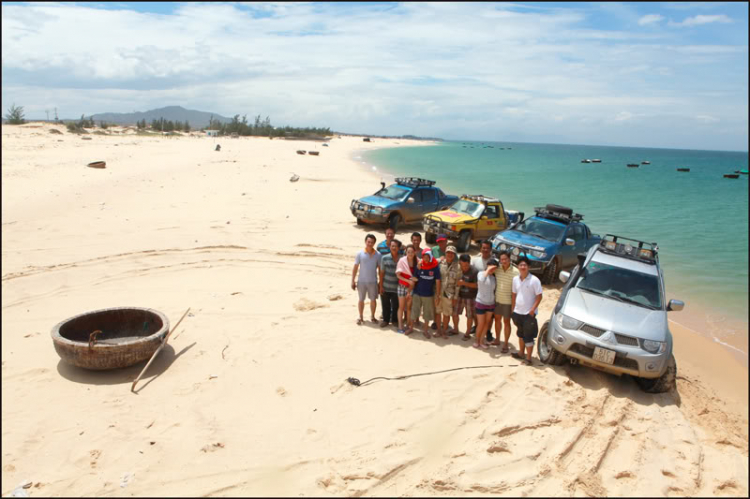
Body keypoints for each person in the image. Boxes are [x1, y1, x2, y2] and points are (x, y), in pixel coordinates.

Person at [511, 257, 543, 365]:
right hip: (517, 312)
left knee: (528, 337)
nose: (523, 267)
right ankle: (521, 353)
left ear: (528, 267)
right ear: (518, 267)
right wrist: (513, 309)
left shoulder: (534, 280)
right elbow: (514, 294)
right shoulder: (515, 279)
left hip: (528, 314)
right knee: (520, 334)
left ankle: (528, 359)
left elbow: (539, 296)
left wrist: (532, 310)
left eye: (525, 265)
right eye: (521, 265)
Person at [407, 249, 441, 339]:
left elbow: (438, 281)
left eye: (427, 257)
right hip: (417, 293)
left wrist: (437, 295)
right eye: (424, 257)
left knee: (427, 313)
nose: (425, 259)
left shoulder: (435, 267)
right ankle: (411, 328)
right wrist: (410, 291)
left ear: (430, 257)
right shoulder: (419, 266)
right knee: (414, 311)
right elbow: (414, 278)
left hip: (428, 294)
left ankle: (425, 330)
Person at [351, 234, 382, 325]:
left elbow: (380, 269)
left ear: (374, 243)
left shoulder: (378, 255)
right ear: (365, 242)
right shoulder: (359, 254)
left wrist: (380, 282)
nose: (370, 244)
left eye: (372, 242)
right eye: (368, 242)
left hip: (373, 281)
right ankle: (360, 317)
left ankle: (372, 316)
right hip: (361, 281)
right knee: (361, 299)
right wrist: (353, 280)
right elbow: (355, 267)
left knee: (373, 300)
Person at [493, 251, 519, 352]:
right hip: (497, 300)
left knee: (506, 322)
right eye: (501, 259)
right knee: (497, 320)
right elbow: (488, 270)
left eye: (505, 259)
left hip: (508, 302)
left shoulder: (516, 272)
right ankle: (497, 339)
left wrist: (514, 305)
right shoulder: (497, 269)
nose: (503, 261)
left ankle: (506, 343)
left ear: (510, 259)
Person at [470, 240, 495, 341]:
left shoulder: (494, 261)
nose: (485, 250)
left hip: (490, 291)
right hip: (476, 290)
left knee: (490, 315)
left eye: (487, 248)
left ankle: (488, 331)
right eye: (483, 248)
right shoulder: (475, 260)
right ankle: (477, 327)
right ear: (480, 248)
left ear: (490, 250)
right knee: (477, 312)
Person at [436, 245, 461, 338]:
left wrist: (455, 297)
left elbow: (458, 284)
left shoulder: (458, 267)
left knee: (446, 313)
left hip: (449, 293)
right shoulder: (440, 263)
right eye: (448, 252)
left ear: (454, 255)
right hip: (438, 292)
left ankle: (444, 331)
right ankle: (438, 330)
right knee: (438, 312)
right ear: (445, 253)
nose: (450, 254)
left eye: (452, 253)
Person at [474, 257, 498, 349]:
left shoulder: (494, 278)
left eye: (494, 268)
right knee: (481, 323)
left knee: (487, 323)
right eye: (491, 267)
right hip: (480, 302)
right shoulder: (480, 274)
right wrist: (488, 270)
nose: (493, 269)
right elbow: (481, 281)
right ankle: (477, 340)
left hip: (490, 303)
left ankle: (481, 341)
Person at [379, 239, 402, 328]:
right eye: (392, 246)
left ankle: (395, 320)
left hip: (397, 287)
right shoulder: (384, 258)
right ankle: (385, 320)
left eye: (395, 246)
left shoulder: (402, 259)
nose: (393, 248)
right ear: (389, 247)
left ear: (399, 248)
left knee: (396, 305)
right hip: (385, 286)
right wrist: (380, 286)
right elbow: (381, 273)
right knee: (385, 305)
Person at [396, 244, 419, 333]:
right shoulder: (402, 260)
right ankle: (400, 325)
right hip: (402, 286)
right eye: (408, 252)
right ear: (406, 252)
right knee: (401, 307)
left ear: (415, 252)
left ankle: (408, 325)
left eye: (412, 252)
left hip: (411, 288)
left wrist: (414, 280)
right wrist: (408, 280)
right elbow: (398, 275)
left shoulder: (417, 261)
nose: (410, 253)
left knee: (409, 308)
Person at [457, 254, 479, 340]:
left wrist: (464, 283)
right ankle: (456, 329)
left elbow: (476, 285)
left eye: (466, 265)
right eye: (462, 265)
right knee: (455, 313)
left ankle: (467, 333)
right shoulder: (457, 268)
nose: (464, 267)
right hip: (459, 295)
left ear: (469, 263)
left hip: (470, 297)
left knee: (470, 316)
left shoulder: (474, 271)